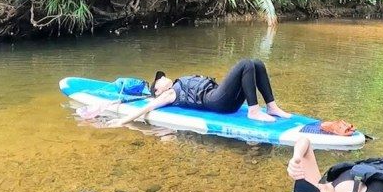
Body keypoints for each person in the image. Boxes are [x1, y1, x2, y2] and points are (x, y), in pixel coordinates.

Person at [108, 58, 291, 127]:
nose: (164, 78)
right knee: (246, 64)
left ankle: (272, 107)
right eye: (160, 80)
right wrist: (122, 121)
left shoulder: (173, 86)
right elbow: (147, 107)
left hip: (224, 99)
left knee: (256, 63)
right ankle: (253, 111)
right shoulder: (168, 94)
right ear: (158, 89)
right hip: (217, 102)